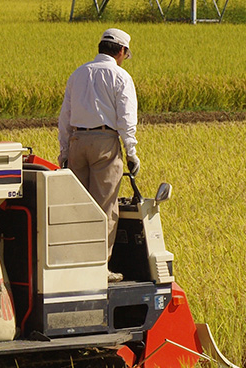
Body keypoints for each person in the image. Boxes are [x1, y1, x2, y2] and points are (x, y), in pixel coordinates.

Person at [57, 28, 140, 283]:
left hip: (77, 142)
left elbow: (65, 117)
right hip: (105, 143)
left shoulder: (78, 74)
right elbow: (126, 119)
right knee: (105, 208)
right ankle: (98, 268)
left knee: (77, 208)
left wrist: (64, 152)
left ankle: (73, 265)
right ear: (121, 51)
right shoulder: (120, 76)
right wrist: (131, 152)